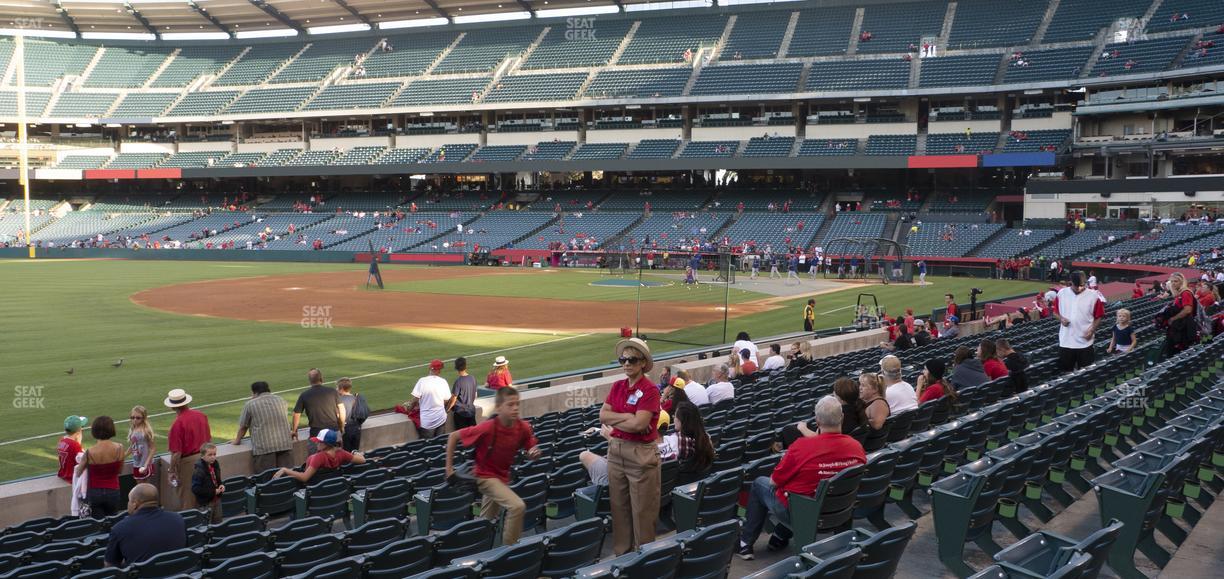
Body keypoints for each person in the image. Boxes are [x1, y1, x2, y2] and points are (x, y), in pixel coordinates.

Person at [736, 396, 866, 560]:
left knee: (759, 484)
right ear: (842, 417)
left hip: (804, 513)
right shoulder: (856, 447)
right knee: (800, 490)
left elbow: (774, 481)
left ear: (817, 421)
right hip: (840, 510)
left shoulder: (802, 446)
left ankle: (745, 543)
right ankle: (779, 536)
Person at [445, 387, 540, 545]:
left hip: (501, 477)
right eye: (510, 405)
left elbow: (530, 445)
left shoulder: (522, 427)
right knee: (517, 506)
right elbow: (453, 436)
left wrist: (533, 452)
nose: (515, 408)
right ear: (499, 408)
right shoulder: (488, 427)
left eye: (517, 404)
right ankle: (509, 549)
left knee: (485, 522)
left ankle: (473, 546)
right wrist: (449, 469)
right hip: (485, 476)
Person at [600, 337, 662, 555]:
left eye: (632, 360)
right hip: (616, 451)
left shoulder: (650, 389)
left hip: (640, 454)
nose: (627, 363)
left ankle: (643, 560)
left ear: (643, 363)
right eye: (623, 360)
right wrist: (628, 416)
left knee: (643, 514)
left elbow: (639, 424)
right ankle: (622, 559)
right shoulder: (618, 386)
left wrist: (622, 419)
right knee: (619, 510)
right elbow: (603, 415)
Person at [582, 401, 714, 487]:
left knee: (584, 455)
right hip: (662, 486)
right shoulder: (688, 442)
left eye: (676, 416)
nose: (674, 418)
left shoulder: (644, 449)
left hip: (631, 487)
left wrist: (611, 439)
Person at [104, 484, 186, 567]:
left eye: (129, 501)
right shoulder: (178, 519)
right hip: (180, 571)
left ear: (135, 504)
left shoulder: (119, 528)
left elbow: (110, 566)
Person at [233, 381, 294, 473]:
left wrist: (237, 441)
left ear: (254, 392)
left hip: (264, 448)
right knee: (286, 477)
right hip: (285, 444)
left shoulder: (250, 404)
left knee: (266, 478)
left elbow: (243, 426)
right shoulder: (281, 400)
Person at [165, 389, 211, 510]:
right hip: (206, 459)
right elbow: (209, 440)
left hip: (189, 464)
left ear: (172, 407)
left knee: (188, 499)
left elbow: (176, 453)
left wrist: (171, 471)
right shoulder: (201, 416)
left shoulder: (177, 424)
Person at [1053, 271, 1105, 371]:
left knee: (1086, 373)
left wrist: (1092, 330)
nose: (1079, 288)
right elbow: (1055, 312)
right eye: (1076, 286)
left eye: (1082, 285)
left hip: (1085, 342)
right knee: (1065, 373)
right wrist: (1061, 319)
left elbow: (1099, 316)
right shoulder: (1061, 293)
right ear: (1070, 283)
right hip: (1066, 341)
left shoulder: (1093, 295)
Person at [273, 429, 368, 483]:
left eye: (319, 442)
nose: (316, 443)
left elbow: (304, 478)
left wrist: (285, 470)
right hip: (332, 488)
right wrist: (354, 452)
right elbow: (363, 460)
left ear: (326, 444)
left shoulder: (318, 457)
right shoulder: (341, 453)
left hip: (316, 491)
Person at [78, 416, 125, 518]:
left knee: (98, 523)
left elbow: (78, 472)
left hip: (94, 493)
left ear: (94, 430)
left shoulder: (89, 452)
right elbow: (120, 470)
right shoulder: (120, 448)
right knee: (113, 521)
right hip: (113, 491)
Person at [292, 369, 345, 455]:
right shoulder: (332, 391)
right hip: (334, 431)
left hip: (316, 434)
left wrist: (294, 430)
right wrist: (341, 427)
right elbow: (342, 410)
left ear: (310, 381)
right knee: (337, 458)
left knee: (315, 460)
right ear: (321, 378)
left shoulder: (304, 395)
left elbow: (296, 414)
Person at [408, 359, 453, 438]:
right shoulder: (443, 382)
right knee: (440, 442)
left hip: (427, 421)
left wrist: (409, 409)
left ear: (430, 368)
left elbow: (415, 400)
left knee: (428, 443)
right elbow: (446, 400)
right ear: (438, 370)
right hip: (440, 418)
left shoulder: (422, 381)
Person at [1161, 272, 1198, 357]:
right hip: (1180, 326)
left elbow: (1188, 310)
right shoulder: (1180, 293)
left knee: (1177, 352)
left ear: (1181, 282)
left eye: (1176, 281)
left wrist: (1173, 318)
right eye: (1172, 281)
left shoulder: (1185, 293)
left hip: (1184, 327)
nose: (1173, 283)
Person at [191, 443, 224, 523]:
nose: (213, 457)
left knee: (218, 522)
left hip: (217, 500)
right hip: (206, 503)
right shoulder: (199, 470)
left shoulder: (215, 464)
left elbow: (217, 479)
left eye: (214, 454)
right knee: (206, 524)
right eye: (210, 455)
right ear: (202, 456)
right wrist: (213, 492)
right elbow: (195, 489)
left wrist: (221, 485)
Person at [336, 378, 369, 451]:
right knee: (355, 452)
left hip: (345, 430)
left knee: (346, 453)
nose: (336, 389)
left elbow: (339, 416)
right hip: (357, 428)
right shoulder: (356, 398)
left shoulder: (339, 400)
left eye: (337, 387)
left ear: (341, 389)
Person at [127, 406, 155, 484]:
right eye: (132, 417)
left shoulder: (146, 431)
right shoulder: (132, 429)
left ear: (143, 418)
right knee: (139, 485)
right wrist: (122, 456)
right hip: (137, 463)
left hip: (144, 464)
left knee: (144, 487)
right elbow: (132, 446)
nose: (135, 420)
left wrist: (146, 465)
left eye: (138, 418)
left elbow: (153, 449)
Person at [57, 415, 88, 483]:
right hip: (73, 478)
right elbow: (85, 462)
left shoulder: (62, 440)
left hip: (63, 474)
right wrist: (79, 444)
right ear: (79, 431)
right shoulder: (75, 445)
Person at [451, 357, 479, 429]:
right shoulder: (473, 378)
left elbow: (453, 399)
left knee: (462, 434)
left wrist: (447, 409)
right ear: (465, 366)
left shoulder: (458, 381)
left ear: (456, 368)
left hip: (460, 413)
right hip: (471, 411)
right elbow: (475, 395)